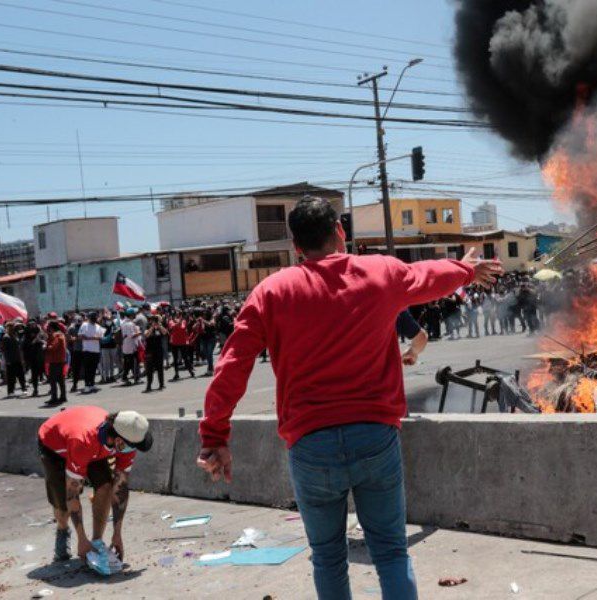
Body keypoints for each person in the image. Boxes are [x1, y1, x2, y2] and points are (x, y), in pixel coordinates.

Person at [197, 198, 503, 600]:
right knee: (391, 553)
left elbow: (231, 367)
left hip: (310, 446)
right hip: (376, 438)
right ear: (340, 231)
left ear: (295, 245)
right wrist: (465, 270)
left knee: (327, 559)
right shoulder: (380, 272)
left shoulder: (271, 292)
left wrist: (215, 435)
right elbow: (426, 276)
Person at [37, 406, 153, 562]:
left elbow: (121, 487)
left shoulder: (126, 440)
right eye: (134, 446)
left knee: (106, 486)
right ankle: (63, 530)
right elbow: (72, 492)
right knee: (62, 503)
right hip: (55, 446)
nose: (134, 450)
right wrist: (81, 538)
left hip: (93, 447)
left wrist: (117, 533)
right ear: (119, 441)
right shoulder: (82, 441)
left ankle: (97, 541)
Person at [78, 312, 105, 394]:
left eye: (95, 317)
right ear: (89, 317)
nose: (94, 318)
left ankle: (92, 384)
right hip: (87, 350)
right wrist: (91, 338)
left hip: (96, 350)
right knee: (87, 369)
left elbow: (101, 337)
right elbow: (80, 336)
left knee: (93, 369)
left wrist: (92, 338)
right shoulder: (84, 325)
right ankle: (87, 385)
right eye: (92, 317)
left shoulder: (98, 326)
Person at [44, 320, 68, 407]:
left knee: (53, 380)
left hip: (55, 361)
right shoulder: (60, 334)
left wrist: (46, 347)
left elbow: (53, 347)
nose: (47, 328)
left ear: (51, 327)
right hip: (60, 360)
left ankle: (54, 398)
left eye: (48, 327)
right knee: (61, 380)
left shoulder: (57, 335)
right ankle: (63, 396)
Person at [0, 321, 26, 397]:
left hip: (17, 358)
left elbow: (19, 347)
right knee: (11, 377)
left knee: (21, 375)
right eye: (10, 327)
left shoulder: (16, 335)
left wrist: (22, 358)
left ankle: (24, 388)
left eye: (13, 326)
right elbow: (4, 350)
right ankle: (10, 391)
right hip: (10, 360)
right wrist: (7, 360)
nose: (12, 328)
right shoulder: (6, 337)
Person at [22, 320, 47, 397]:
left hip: (40, 357)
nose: (33, 326)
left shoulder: (38, 332)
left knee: (46, 373)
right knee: (34, 375)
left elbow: (44, 339)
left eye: (34, 324)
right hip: (32, 358)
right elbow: (24, 348)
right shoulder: (26, 338)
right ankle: (35, 389)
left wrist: (41, 342)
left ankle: (53, 389)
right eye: (31, 325)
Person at [143, 315, 168, 392]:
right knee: (149, 370)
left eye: (155, 320)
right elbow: (146, 335)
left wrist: (160, 326)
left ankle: (161, 384)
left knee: (160, 368)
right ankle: (149, 386)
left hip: (158, 351)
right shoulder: (148, 327)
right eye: (152, 320)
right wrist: (152, 327)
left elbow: (165, 333)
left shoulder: (159, 327)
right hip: (150, 352)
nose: (154, 322)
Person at [167, 310, 194, 380]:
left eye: (179, 315)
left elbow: (182, 328)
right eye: (176, 315)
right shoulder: (171, 321)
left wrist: (179, 322)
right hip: (174, 343)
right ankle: (176, 374)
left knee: (185, 358)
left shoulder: (183, 321)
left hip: (182, 342)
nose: (178, 317)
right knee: (175, 359)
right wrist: (178, 322)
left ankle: (190, 371)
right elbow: (172, 327)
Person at [119, 310, 142, 386]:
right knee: (133, 363)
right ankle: (135, 378)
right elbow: (131, 335)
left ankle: (126, 378)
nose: (135, 314)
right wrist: (139, 332)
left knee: (128, 363)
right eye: (134, 313)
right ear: (131, 315)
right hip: (131, 346)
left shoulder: (124, 323)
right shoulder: (129, 324)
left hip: (127, 346)